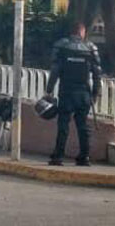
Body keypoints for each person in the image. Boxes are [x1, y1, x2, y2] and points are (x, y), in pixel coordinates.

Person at [46, 22, 102, 166]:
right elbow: (97, 74)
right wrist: (95, 94)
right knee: (82, 125)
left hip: (66, 92)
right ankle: (84, 157)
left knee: (63, 125)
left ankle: (58, 156)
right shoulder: (90, 48)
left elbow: (55, 70)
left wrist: (49, 89)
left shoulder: (62, 46)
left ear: (72, 32)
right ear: (82, 33)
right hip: (84, 93)